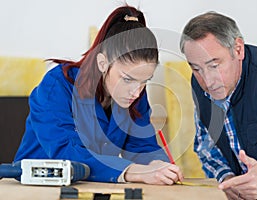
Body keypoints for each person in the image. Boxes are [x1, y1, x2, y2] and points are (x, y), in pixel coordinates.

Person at [14, 5, 183, 185]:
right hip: (36, 187)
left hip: (92, 187)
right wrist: (133, 171)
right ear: (102, 63)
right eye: (127, 79)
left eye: (145, 81)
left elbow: (142, 146)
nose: (136, 91)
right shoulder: (57, 86)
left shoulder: (135, 93)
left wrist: (157, 165)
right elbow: (67, 152)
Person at [180, 11, 257, 199]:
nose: (208, 81)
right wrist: (227, 179)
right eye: (196, 68)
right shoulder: (200, 86)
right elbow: (207, 147)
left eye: (214, 65)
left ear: (238, 49)